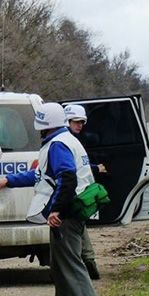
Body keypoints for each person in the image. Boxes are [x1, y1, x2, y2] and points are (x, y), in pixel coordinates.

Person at [0, 102, 104, 296]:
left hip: (67, 214)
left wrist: (56, 210)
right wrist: (9, 180)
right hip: (75, 210)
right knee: (62, 269)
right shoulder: (65, 140)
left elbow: (67, 177)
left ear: (42, 124)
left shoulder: (58, 145)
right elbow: (42, 175)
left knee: (71, 267)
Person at [64, 103, 103, 280]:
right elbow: (72, 167)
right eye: (76, 122)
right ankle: (88, 262)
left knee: (79, 226)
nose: (79, 125)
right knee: (78, 227)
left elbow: (81, 165)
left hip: (80, 192)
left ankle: (88, 261)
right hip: (73, 192)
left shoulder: (73, 140)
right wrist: (96, 168)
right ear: (67, 122)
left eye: (81, 122)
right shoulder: (66, 142)